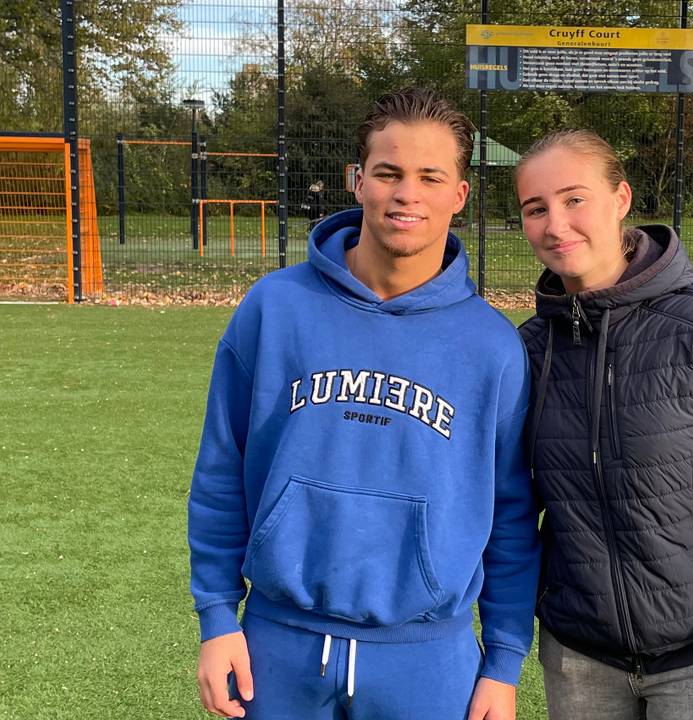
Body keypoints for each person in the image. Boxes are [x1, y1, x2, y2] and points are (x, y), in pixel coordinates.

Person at [188, 87, 539, 720]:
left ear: (459, 195)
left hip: (430, 661)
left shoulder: (491, 345)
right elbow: (221, 470)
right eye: (389, 173)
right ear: (358, 181)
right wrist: (217, 618)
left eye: (431, 177)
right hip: (276, 649)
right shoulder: (274, 309)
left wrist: (504, 662)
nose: (407, 193)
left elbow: (511, 514)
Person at [513, 129, 693, 720]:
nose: (556, 224)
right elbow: (512, 508)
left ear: (621, 199)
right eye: (535, 208)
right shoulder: (529, 347)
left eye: (575, 199)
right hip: (576, 658)